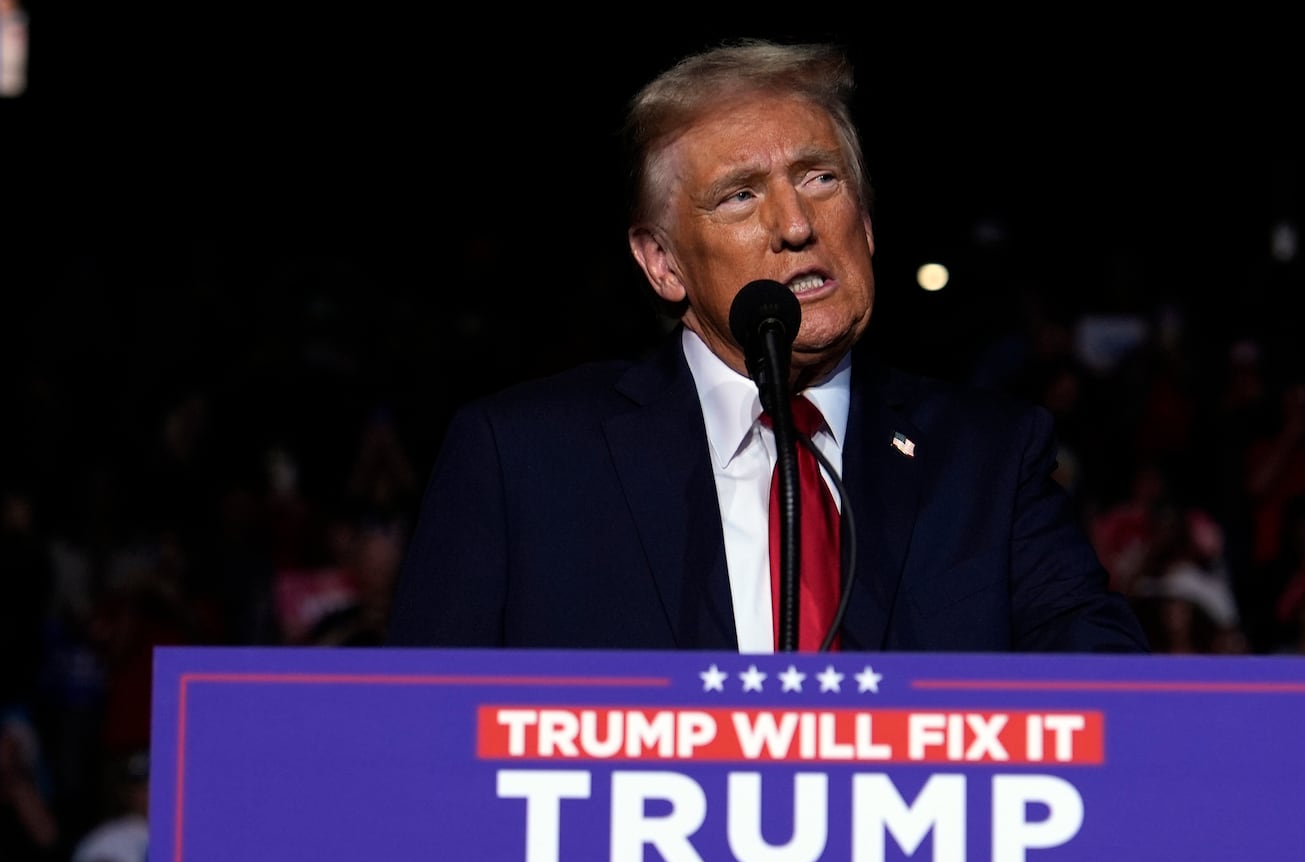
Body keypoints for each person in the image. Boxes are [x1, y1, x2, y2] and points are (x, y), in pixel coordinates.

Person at [387, 39, 1147, 655]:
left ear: (869, 222)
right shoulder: (520, 459)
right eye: (740, 195)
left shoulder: (988, 458)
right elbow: (416, 744)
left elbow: (1113, 708)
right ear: (662, 262)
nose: (795, 224)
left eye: (821, 178)